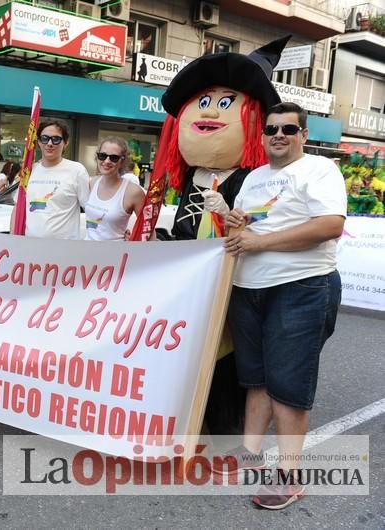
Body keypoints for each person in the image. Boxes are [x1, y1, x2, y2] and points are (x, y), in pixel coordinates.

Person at [154, 36, 290, 436]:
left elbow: (260, 227)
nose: (211, 110)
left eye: (226, 102)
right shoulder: (187, 177)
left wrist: (228, 217)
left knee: (226, 352)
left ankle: (225, 427)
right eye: (205, 100)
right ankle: (186, 417)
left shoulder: (254, 179)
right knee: (187, 350)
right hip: (189, 282)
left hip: (234, 283)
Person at [222, 102, 346, 510]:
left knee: (288, 388)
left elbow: (330, 225)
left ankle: (290, 478)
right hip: (249, 287)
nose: (279, 134)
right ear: (262, 137)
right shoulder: (254, 178)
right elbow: (246, 229)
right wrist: (229, 219)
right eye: (272, 129)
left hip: (300, 288)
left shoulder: (320, 170)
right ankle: (251, 454)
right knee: (255, 379)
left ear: (303, 135)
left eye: (288, 129)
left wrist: (259, 242)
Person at [13, 120, 90, 239]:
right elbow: (18, 208)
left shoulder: (77, 171)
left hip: (62, 252)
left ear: (66, 142)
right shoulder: (28, 171)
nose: (49, 143)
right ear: (38, 142)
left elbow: (90, 210)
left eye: (56, 139)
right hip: (29, 250)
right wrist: (12, 240)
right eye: (45, 138)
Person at [85, 137, 146, 241]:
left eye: (114, 158)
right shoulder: (92, 183)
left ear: (122, 161)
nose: (107, 161)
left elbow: (148, 231)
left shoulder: (133, 192)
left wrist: (135, 239)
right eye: (102, 156)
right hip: (87, 253)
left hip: (115, 255)